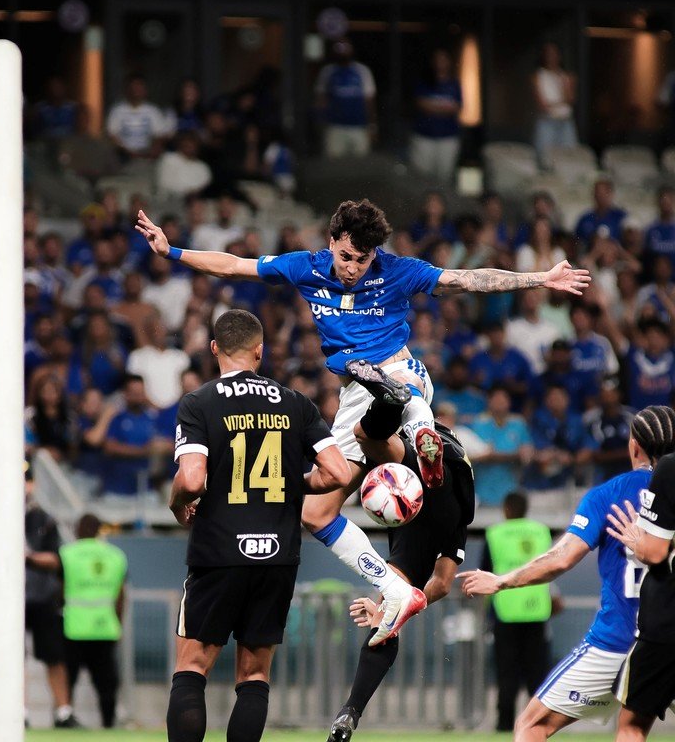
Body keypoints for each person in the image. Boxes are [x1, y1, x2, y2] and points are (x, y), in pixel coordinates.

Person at [135, 199, 589, 644]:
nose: (353, 267)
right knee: (317, 511)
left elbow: (467, 279)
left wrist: (540, 278)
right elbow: (234, 265)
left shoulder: (397, 270)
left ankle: (415, 438)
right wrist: (171, 251)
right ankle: (406, 511)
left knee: (383, 419)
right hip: (360, 392)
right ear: (332, 241)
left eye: (363, 259)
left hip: (396, 371)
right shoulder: (306, 266)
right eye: (347, 256)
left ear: (376, 253)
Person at [149, 309, 351, 742]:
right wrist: (290, 484)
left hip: (217, 553)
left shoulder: (199, 403)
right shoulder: (296, 402)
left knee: (191, 666)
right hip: (277, 557)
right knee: (254, 676)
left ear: (216, 350)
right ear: (261, 352)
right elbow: (339, 473)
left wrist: (177, 504)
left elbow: (191, 478)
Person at [457, 405, 675, 742]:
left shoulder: (608, 495)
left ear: (633, 445)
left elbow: (560, 560)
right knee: (634, 729)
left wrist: (501, 581)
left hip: (616, 642)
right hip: (667, 640)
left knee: (531, 722)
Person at [319, 359, 474, 742]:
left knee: (365, 438)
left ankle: (354, 707)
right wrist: (406, 605)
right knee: (390, 611)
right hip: (454, 501)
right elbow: (442, 583)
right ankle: (350, 711)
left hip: (409, 477)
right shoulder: (450, 446)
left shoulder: (416, 400)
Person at [604, 437, 675, 742]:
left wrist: (635, 537)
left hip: (667, 625)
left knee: (632, 726)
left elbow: (654, 549)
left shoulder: (668, 469)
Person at [481, 492, 555, 732]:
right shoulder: (541, 531)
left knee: (507, 673)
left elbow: (485, 573)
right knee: (538, 673)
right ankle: (539, 724)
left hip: (506, 611)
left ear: (506, 509)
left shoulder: (495, 534)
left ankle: (504, 725)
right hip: (537, 610)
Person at [60, 514, 127, 729]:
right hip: (105, 628)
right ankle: (108, 725)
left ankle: (63, 717)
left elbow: (59, 590)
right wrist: (118, 624)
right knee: (106, 684)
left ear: (78, 530)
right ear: (99, 531)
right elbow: (120, 596)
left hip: (74, 627)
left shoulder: (67, 554)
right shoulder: (116, 556)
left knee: (68, 680)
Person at [24, 464, 78, 728]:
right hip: (10, 598)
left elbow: (57, 558)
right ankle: (18, 711)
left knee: (55, 656)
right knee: (11, 656)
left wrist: (28, 557)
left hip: (43, 596)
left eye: (27, 481)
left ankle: (63, 711)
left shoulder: (42, 518)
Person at [314, 40, 377, 159]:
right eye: (340, 49)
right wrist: (320, 124)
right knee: (334, 164)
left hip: (359, 126)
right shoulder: (328, 71)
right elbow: (321, 99)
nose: (343, 52)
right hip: (335, 127)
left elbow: (369, 100)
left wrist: (372, 126)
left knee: (360, 164)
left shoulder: (362, 71)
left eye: (346, 48)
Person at [409, 48, 462, 186]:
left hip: (447, 137)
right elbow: (421, 104)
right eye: (438, 60)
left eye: (443, 59)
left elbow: (457, 107)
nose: (440, 63)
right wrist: (444, 107)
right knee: (421, 176)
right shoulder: (424, 81)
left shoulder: (454, 83)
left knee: (444, 176)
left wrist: (433, 106)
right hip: (424, 136)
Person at [531, 42, 577, 164]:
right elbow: (542, 105)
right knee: (544, 158)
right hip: (547, 121)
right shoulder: (539, 75)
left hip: (565, 121)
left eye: (554, 53)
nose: (552, 57)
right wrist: (561, 102)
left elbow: (570, 99)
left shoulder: (565, 76)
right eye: (548, 54)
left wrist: (565, 86)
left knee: (569, 158)